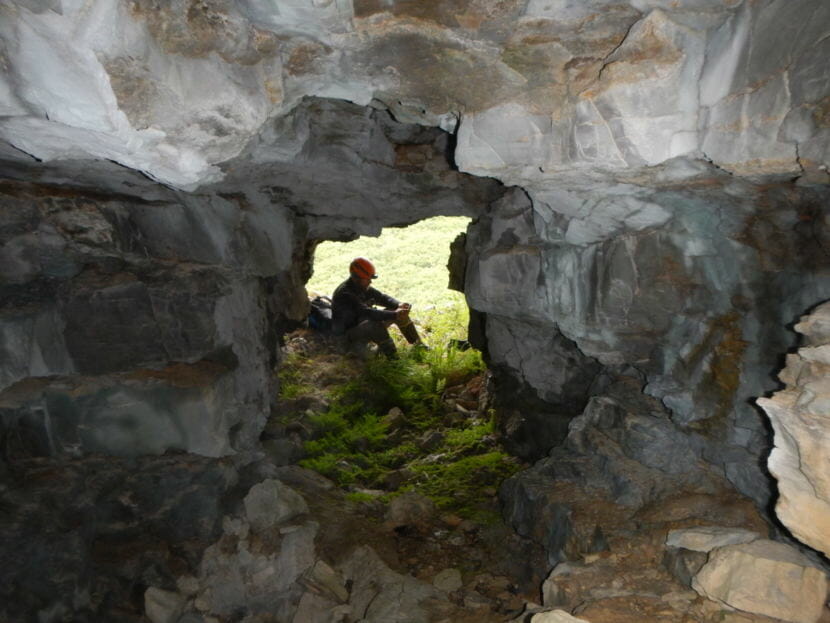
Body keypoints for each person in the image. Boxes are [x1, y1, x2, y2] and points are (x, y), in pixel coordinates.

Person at [331, 257, 424, 357]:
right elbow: (368, 313)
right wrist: (395, 314)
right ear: (356, 278)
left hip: (361, 326)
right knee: (374, 324)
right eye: (368, 279)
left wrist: (398, 305)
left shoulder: (360, 286)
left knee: (395, 312)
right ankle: (393, 359)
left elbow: (381, 297)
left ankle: (418, 345)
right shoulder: (345, 294)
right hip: (348, 337)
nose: (370, 282)